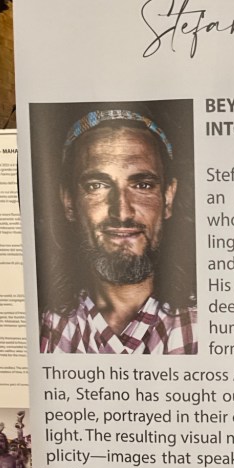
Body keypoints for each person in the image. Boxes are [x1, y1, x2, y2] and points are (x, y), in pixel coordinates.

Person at [39, 107, 197, 354]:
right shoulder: (46, 328)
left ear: (168, 198)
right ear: (68, 202)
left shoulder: (210, 326)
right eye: (97, 185)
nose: (122, 212)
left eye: (142, 185)